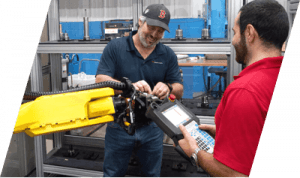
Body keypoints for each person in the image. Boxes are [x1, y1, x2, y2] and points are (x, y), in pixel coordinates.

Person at [177, 0, 289, 177]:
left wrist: (195, 152)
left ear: (250, 33)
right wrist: (224, 131)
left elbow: (234, 174)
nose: (234, 41)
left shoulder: (245, 91)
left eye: (235, 33)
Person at [95, 4, 183, 177]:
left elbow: (179, 89)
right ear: (140, 22)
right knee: (112, 174)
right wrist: (129, 87)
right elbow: (100, 80)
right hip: (119, 125)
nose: (154, 35)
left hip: (153, 126)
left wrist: (168, 87)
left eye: (160, 31)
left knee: (151, 174)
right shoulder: (116, 47)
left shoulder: (167, 55)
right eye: (151, 27)